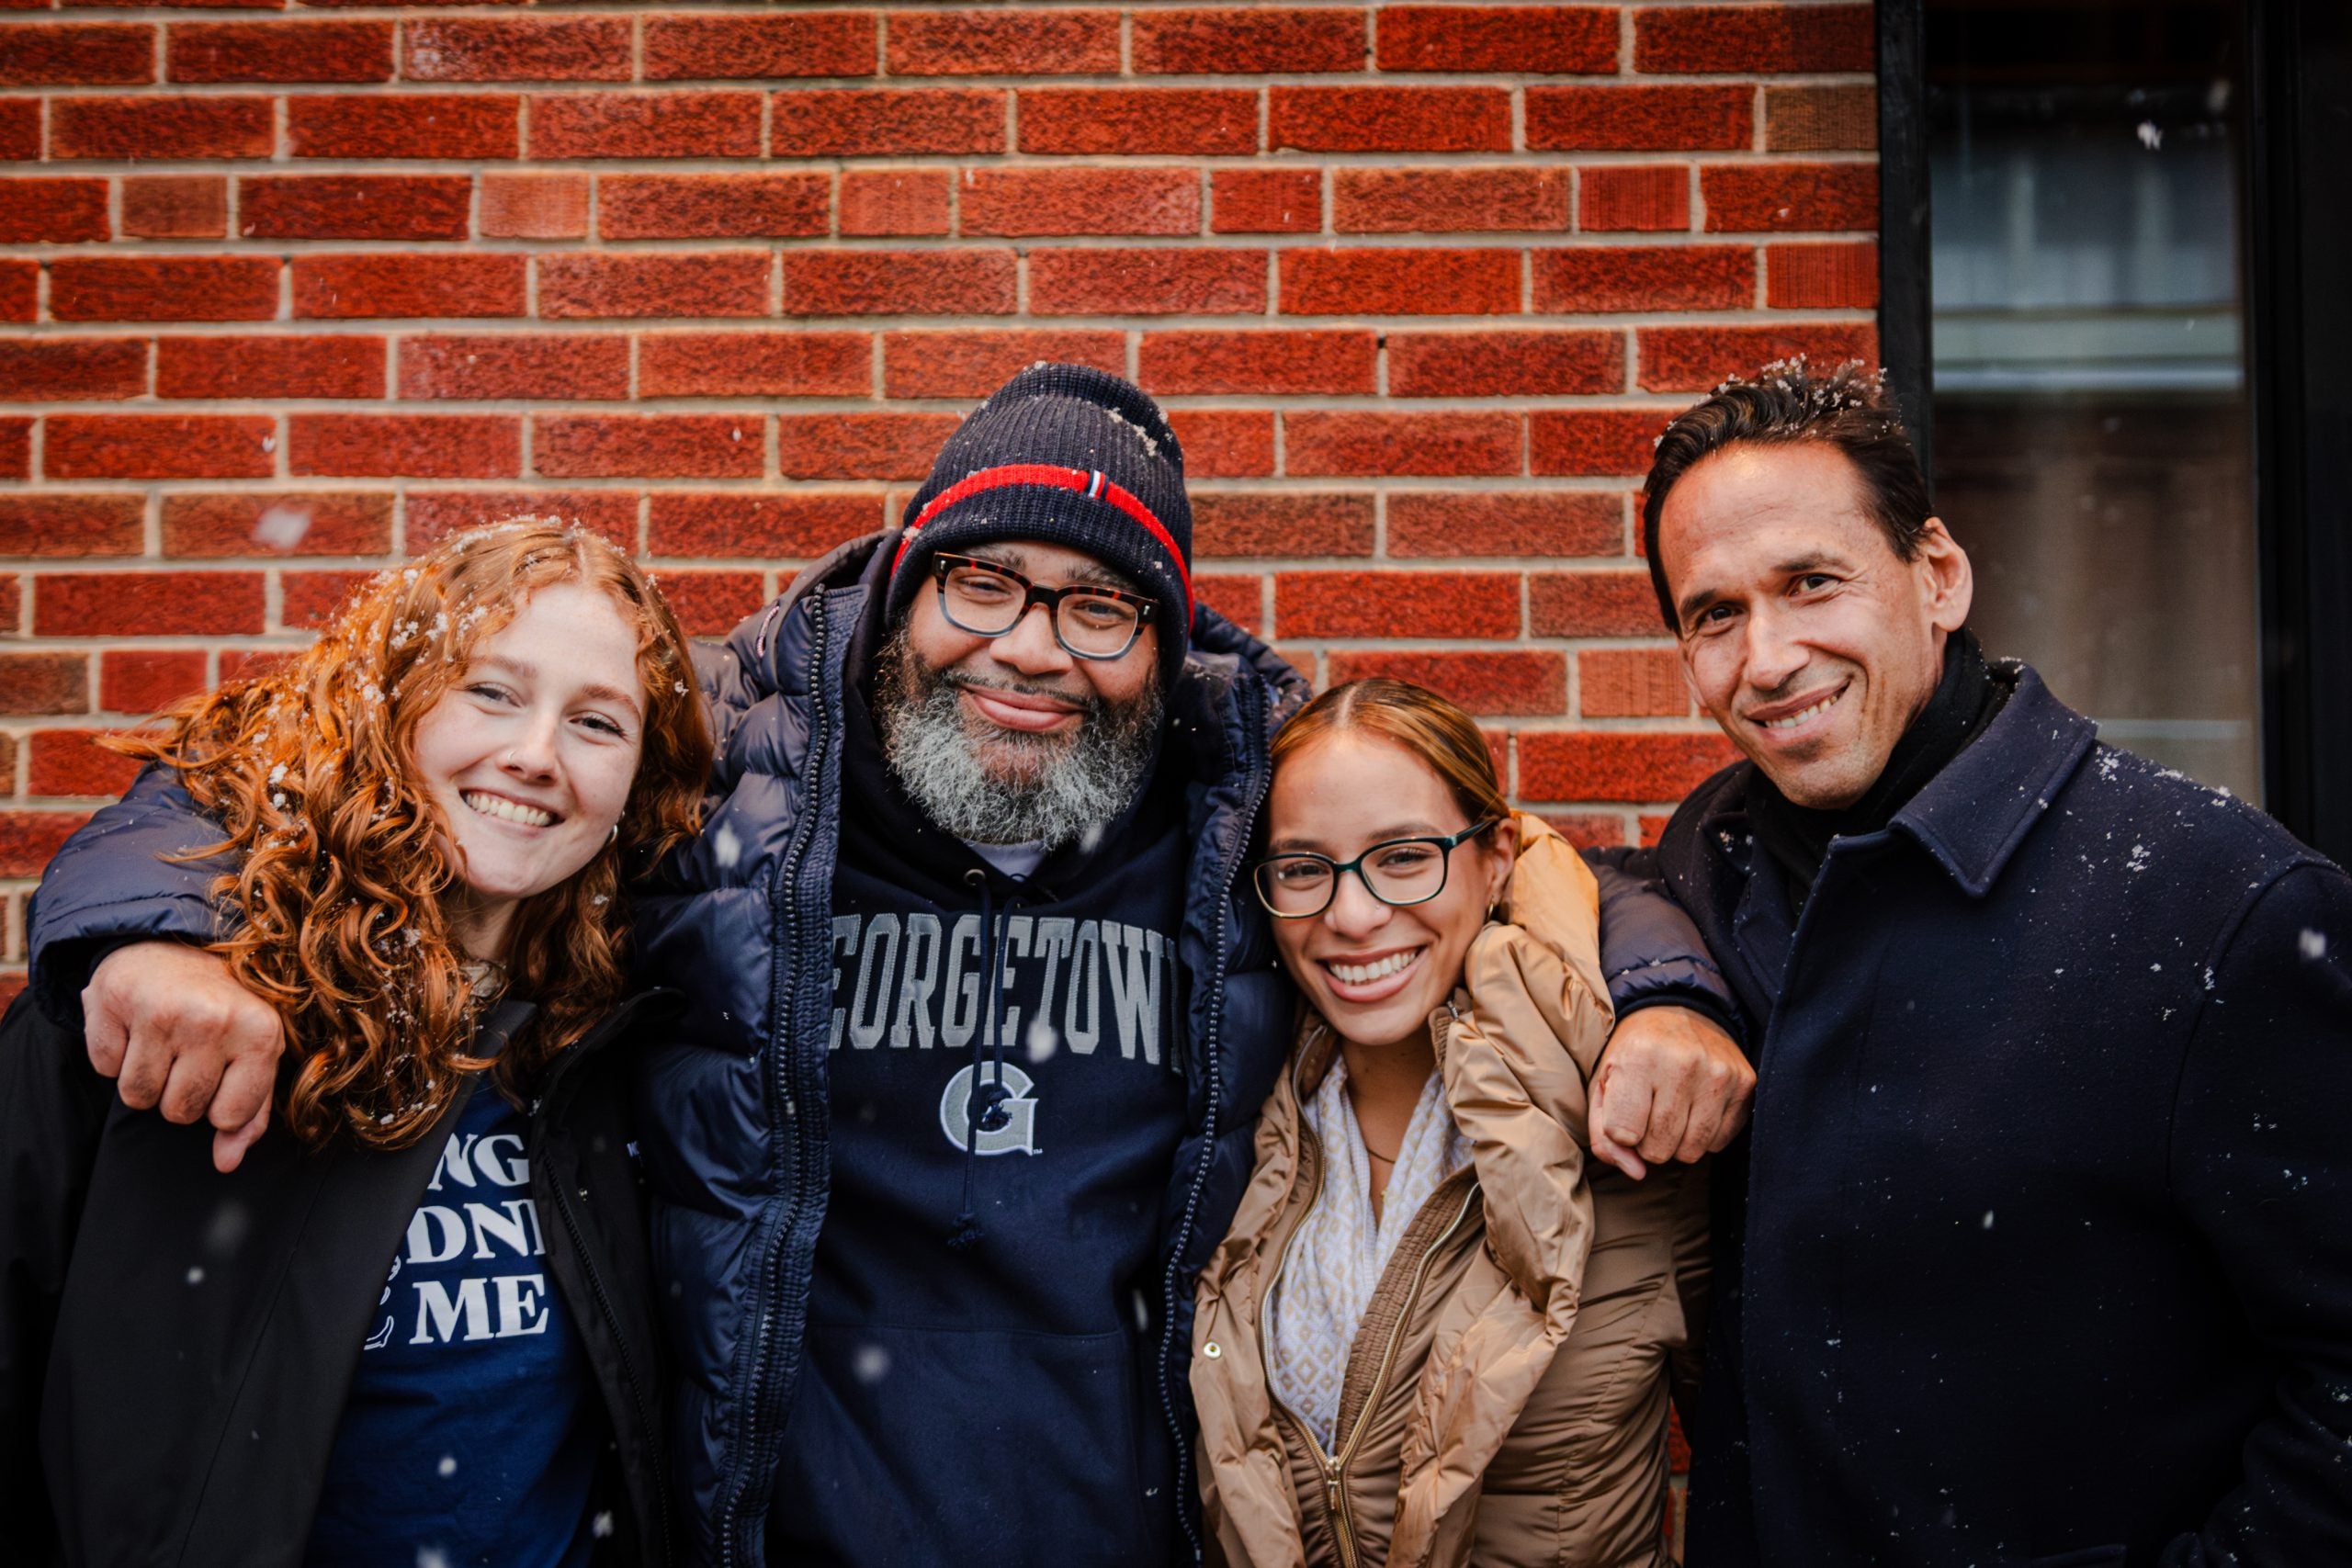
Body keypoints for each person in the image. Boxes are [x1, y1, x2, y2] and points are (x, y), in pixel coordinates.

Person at [24, 367, 1744, 1565]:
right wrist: (153, 922)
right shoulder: (725, 769)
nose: (1028, 649)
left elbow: (1511, 852)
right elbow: (321, 772)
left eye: (1101, 606)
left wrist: (1666, 983)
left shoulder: (1236, 795)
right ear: (908, 578)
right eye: (984, 583)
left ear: (1163, 647)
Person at [1623, 358, 2352, 1563]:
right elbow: (1588, 879)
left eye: (1812, 582)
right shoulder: (1718, 860)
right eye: (1715, 613)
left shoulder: (2218, 905)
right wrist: (1666, 994)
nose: (1767, 657)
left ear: (1939, 575)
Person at [0, 521, 713, 1567]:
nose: (534, 755)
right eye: (493, 692)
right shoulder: (146, 1009)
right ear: (395, 708)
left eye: (597, 723)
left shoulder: (615, 1040)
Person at [1191, 680, 1708, 1568]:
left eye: (1402, 857)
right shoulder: (1225, 1123)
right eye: (1304, 868)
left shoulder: (1635, 1117)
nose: (1351, 917)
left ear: (1498, 854)